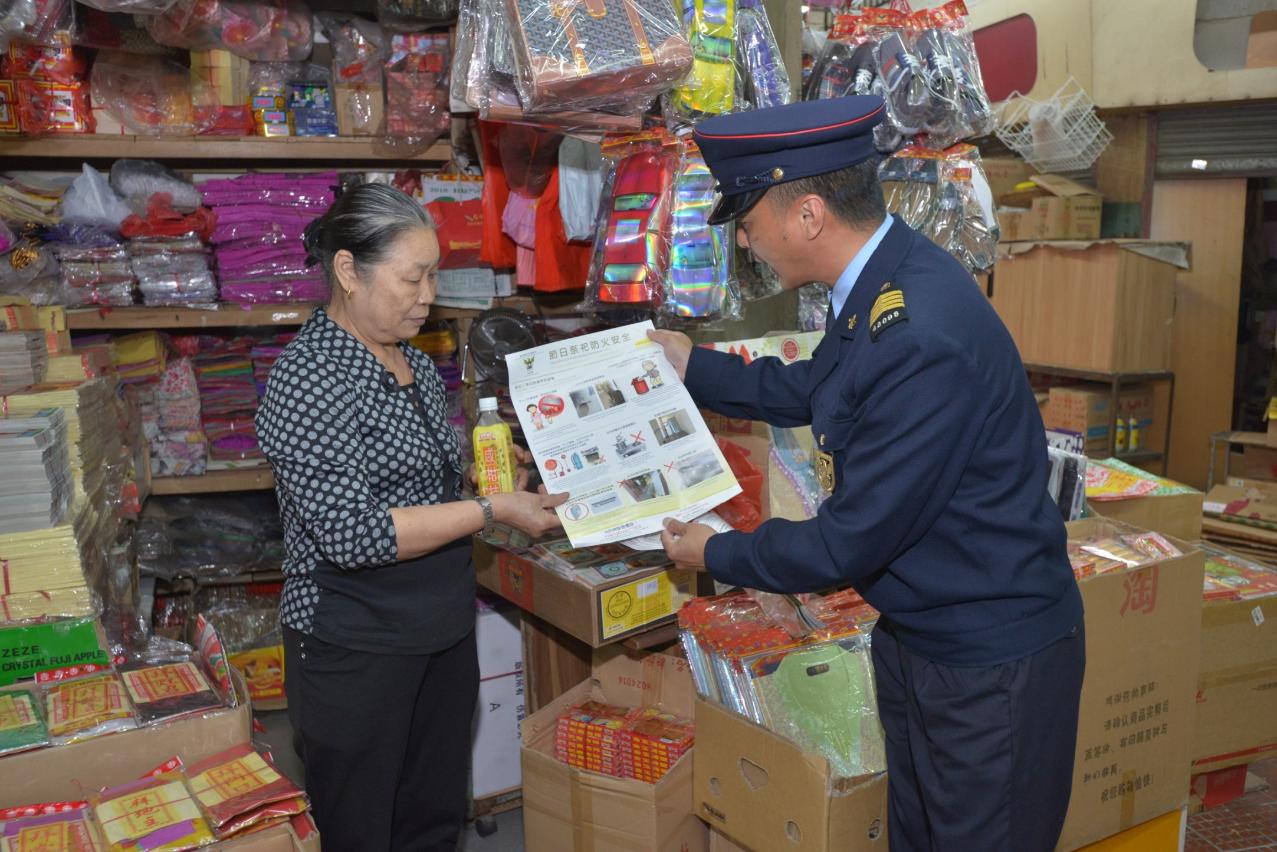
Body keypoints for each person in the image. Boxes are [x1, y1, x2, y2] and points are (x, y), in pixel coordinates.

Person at [649, 97, 1086, 851]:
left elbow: (846, 542)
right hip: (923, 636)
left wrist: (715, 551)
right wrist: (694, 366)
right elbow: (823, 387)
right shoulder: (883, 282)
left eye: (748, 223)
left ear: (807, 215)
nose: (746, 242)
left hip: (986, 662)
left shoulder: (916, 330)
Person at [256, 183, 566, 850]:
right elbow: (354, 534)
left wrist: (484, 472)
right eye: (412, 277)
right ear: (348, 271)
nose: (427, 295)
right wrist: (489, 509)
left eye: (433, 275)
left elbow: (426, 484)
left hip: (439, 627)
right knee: (362, 826)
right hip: (354, 643)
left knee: (433, 816)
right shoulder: (308, 379)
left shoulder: (417, 366)